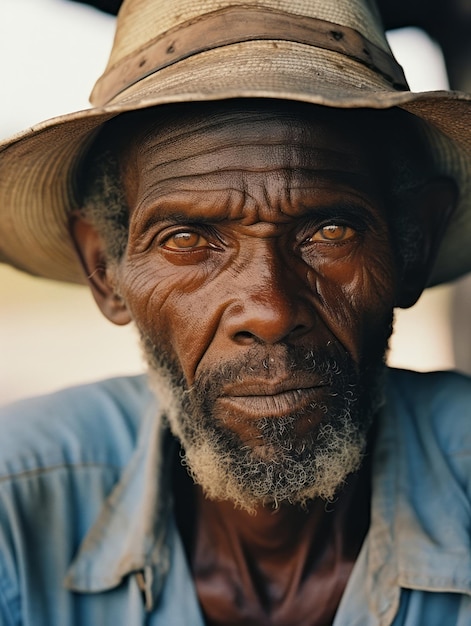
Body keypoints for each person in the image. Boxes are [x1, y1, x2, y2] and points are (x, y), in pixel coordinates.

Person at [0, 0, 470, 624]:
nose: (271, 311)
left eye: (328, 231)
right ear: (105, 272)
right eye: (188, 240)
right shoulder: (16, 502)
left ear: (413, 244)